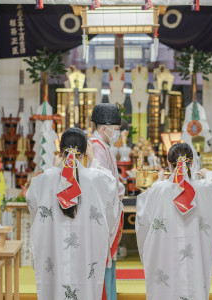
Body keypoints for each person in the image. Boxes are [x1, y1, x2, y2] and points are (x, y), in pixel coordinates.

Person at [26, 127, 121, 300]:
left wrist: (53, 168)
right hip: (87, 249)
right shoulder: (98, 178)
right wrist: (93, 161)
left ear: (60, 151)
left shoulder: (43, 180)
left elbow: (34, 208)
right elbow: (113, 204)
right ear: (85, 151)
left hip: (53, 250)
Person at [136, 143, 212, 300]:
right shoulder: (205, 189)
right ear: (192, 163)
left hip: (165, 256)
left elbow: (143, 221)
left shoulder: (158, 190)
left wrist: (158, 182)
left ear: (168, 163)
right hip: (196, 256)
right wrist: (208, 173)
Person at [90, 103, 125, 300]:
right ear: (105, 128)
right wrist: (121, 189)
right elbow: (103, 181)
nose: (118, 133)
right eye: (117, 130)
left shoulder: (104, 146)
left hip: (110, 208)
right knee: (104, 260)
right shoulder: (96, 147)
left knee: (109, 260)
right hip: (104, 211)